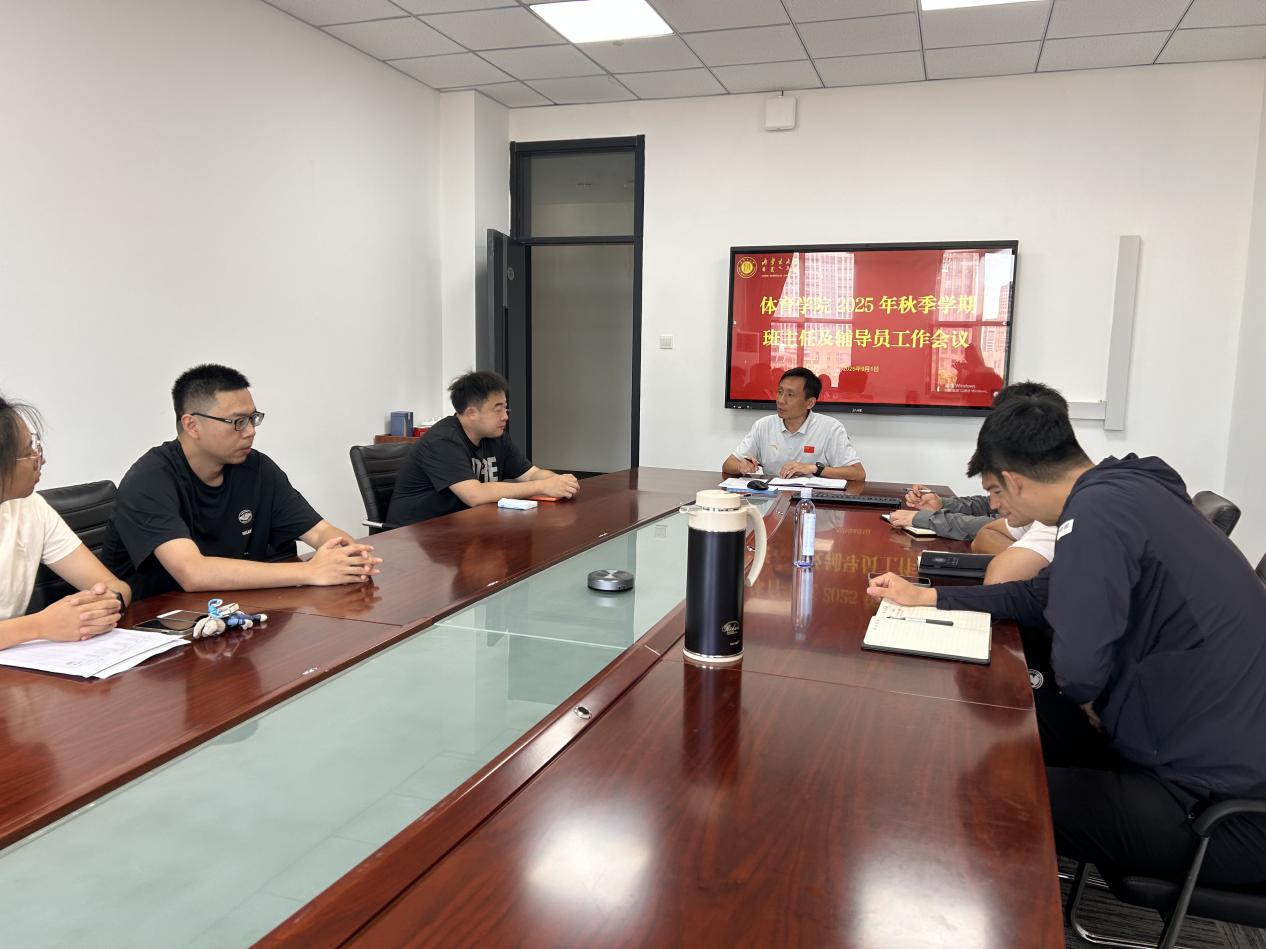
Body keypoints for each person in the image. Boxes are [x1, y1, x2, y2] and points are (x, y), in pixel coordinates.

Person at [869, 388, 1266, 886]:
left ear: (1015, 479)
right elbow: (1039, 594)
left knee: (986, 793)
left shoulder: (1095, 513)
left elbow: (1079, 669)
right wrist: (929, 597)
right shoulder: (1129, 488)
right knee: (1002, 727)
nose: (996, 506)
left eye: (995, 492)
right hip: (1188, 745)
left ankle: (1008, 914)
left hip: (1215, 807)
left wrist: (1089, 699)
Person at [103, 364, 380, 601]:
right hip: (157, 623)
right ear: (192, 425)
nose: (250, 432)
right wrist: (310, 571)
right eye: (237, 422)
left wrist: (349, 556)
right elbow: (193, 573)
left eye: (253, 419)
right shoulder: (149, 480)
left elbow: (319, 532)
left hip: (233, 610)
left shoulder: (256, 468)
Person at [0, 395, 131, 649]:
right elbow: (43, 624)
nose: (41, 460)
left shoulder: (30, 506)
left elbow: (115, 587)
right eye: (28, 453)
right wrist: (40, 625)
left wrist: (101, 606)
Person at [385, 370, 580, 527]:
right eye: (498, 409)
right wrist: (543, 486)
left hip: (464, 527)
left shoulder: (495, 436)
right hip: (416, 536)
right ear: (471, 413)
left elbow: (531, 474)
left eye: (506, 408)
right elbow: (475, 495)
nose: (505, 416)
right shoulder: (442, 441)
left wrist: (559, 481)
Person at [722, 367, 865, 481]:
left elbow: (858, 473)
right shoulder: (763, 426)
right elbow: (728, 464)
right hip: (773, 498)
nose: (781, 400)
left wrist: (814, 468)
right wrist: (741, 466)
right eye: (779, 392)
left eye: (790, 395)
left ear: (810, 403)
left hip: (813, 500)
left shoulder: (830, 428)